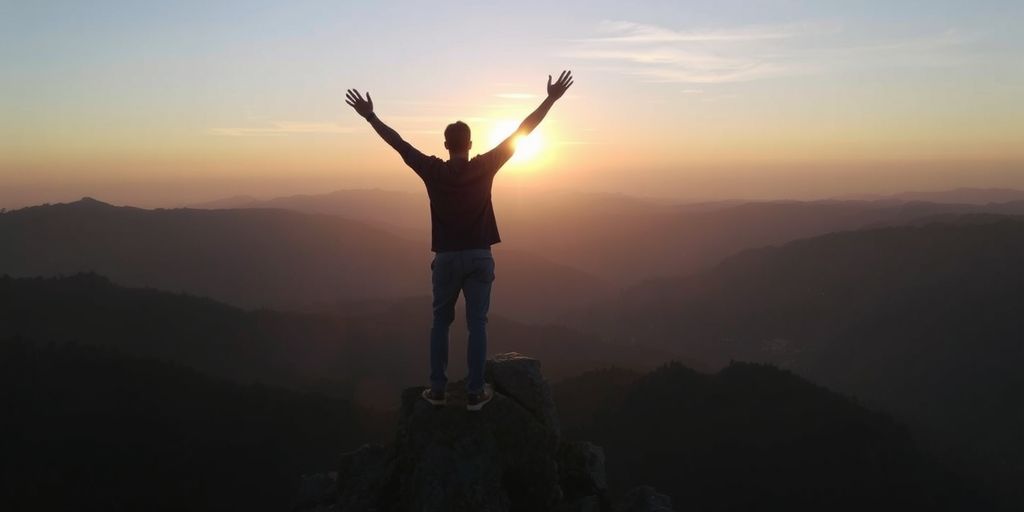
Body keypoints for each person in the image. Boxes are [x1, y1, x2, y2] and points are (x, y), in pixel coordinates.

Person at [345, 71, 574, 411]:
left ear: (445, 145)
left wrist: (371, 117)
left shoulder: (432, 170)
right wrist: (551, 99)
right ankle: (474, 391)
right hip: (480, 257)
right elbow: (522, 132)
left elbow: (399, 144)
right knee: (477, 324)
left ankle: (436, 390)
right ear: (469, 144)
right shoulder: (485, 165)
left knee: (440, 322)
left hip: (447, 259)